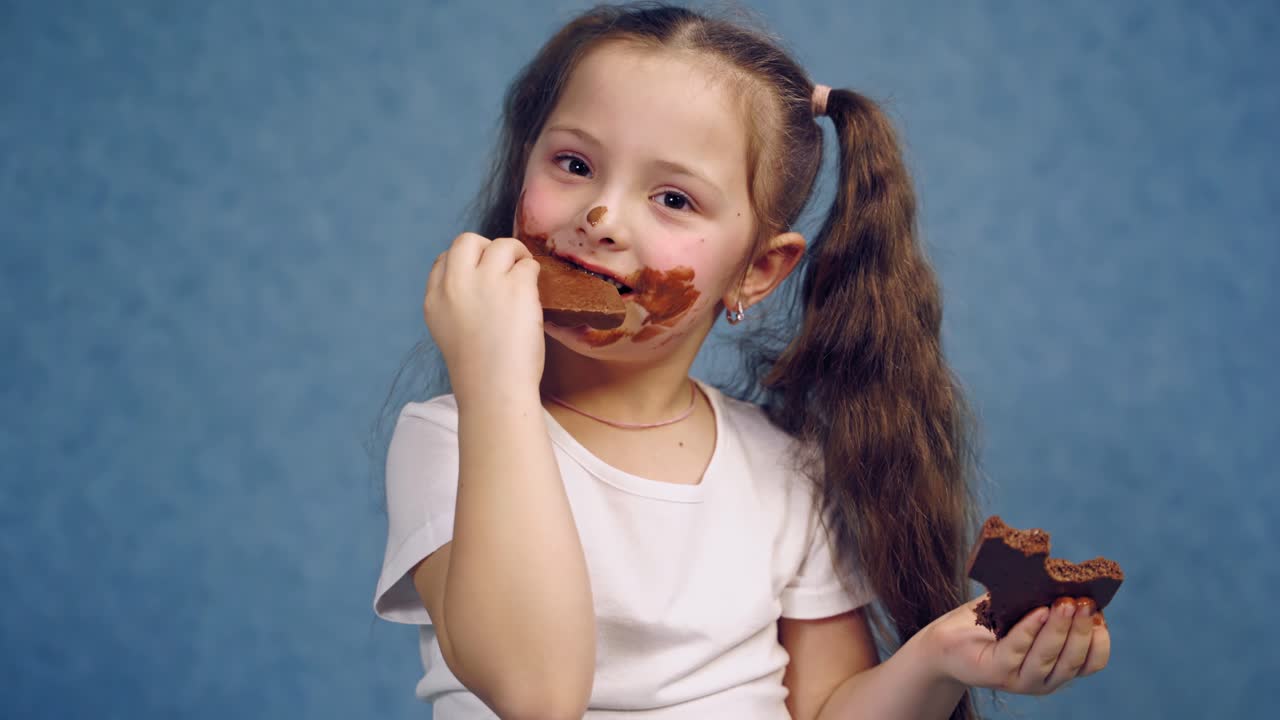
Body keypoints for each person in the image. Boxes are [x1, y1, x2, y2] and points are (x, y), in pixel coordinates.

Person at [372, 4, 1111, 719]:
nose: (599, 218)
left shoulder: (783, 468)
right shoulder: (451, 440)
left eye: (672, 198)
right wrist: (495, 375)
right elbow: (537, 695)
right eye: (573, 163)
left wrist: (940, 660)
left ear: (757, 271)